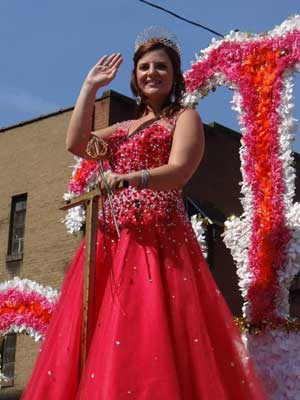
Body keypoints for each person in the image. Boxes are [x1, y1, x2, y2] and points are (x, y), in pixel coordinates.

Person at [22, 27, 266, 399]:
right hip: (111, 241)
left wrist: (130, 177)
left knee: (149, 333)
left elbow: (179, 171)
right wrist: (90, 87)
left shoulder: (183, 119)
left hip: (158, 242)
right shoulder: (122, 129)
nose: (152, 73)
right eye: (145, 67)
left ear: (174, 76)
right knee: (102, 331)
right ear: (135, 77)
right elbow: (76, 143)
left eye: (161, 67)